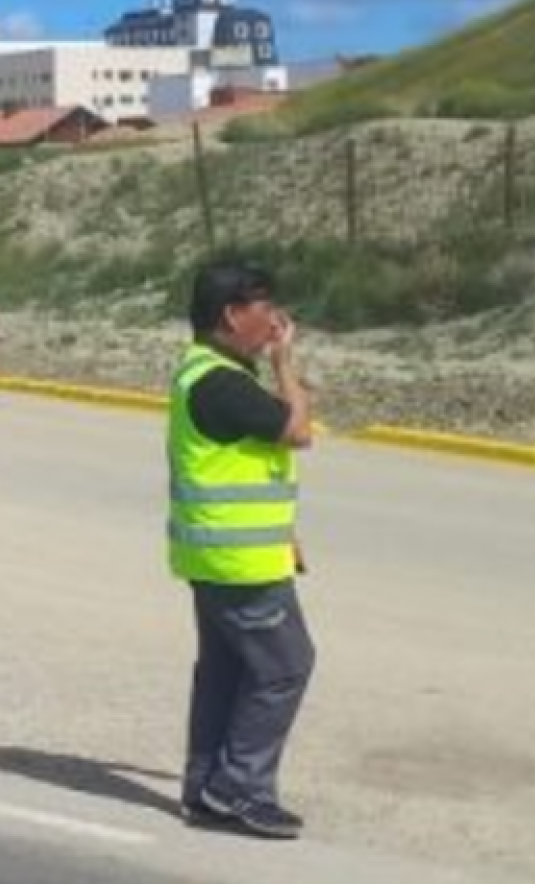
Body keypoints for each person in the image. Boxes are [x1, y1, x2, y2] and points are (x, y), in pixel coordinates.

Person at [168, 259, 315, 840]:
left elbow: (245, 466)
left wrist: (284, 535)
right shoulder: (222, 383)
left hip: (218, 557)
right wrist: (284, 364)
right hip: (239, 564)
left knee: (225, 673)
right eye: (265, 309)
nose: (275, 320)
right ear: (232, 314)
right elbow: (298, 431)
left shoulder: (200, 372)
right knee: (285, 667)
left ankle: (205, 786)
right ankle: (240, 788)